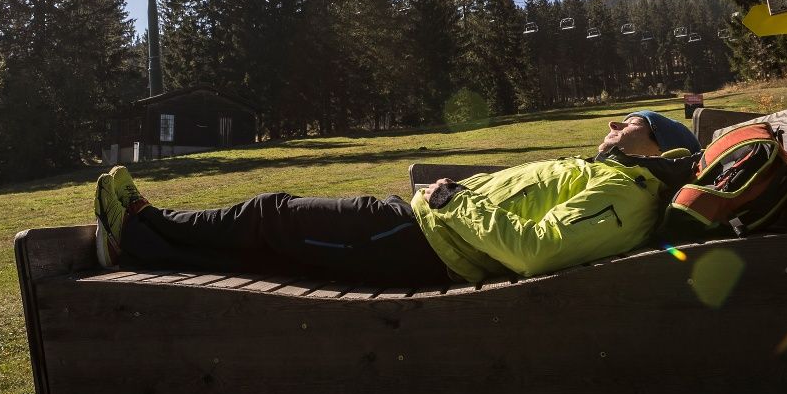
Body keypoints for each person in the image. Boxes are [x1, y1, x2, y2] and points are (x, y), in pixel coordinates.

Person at [92, 110, 700, 284]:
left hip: (423, 241)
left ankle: (145, 224)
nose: (615, 126)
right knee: (275, 248)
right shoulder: (614, 178)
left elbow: (539, 251)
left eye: (632, 124)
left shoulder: (627, 194)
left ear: (660, 147)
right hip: (421, 229)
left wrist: (451, 201)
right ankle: (143, 244)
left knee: (272, 217)